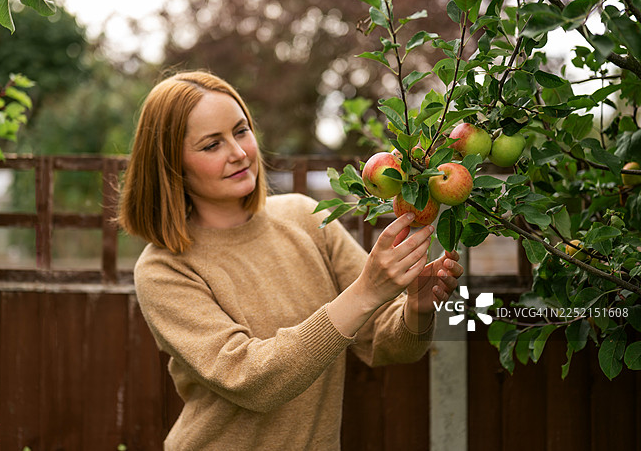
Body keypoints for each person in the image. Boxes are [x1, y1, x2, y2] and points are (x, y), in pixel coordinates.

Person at [118, 70, 463, 451]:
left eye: (241, 130)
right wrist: (366, 291)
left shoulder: (306, 217)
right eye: (211, 145)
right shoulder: (164, 270)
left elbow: (385, 342)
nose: (238, 152)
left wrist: (416, 308)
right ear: (171, 164)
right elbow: (251, 381)